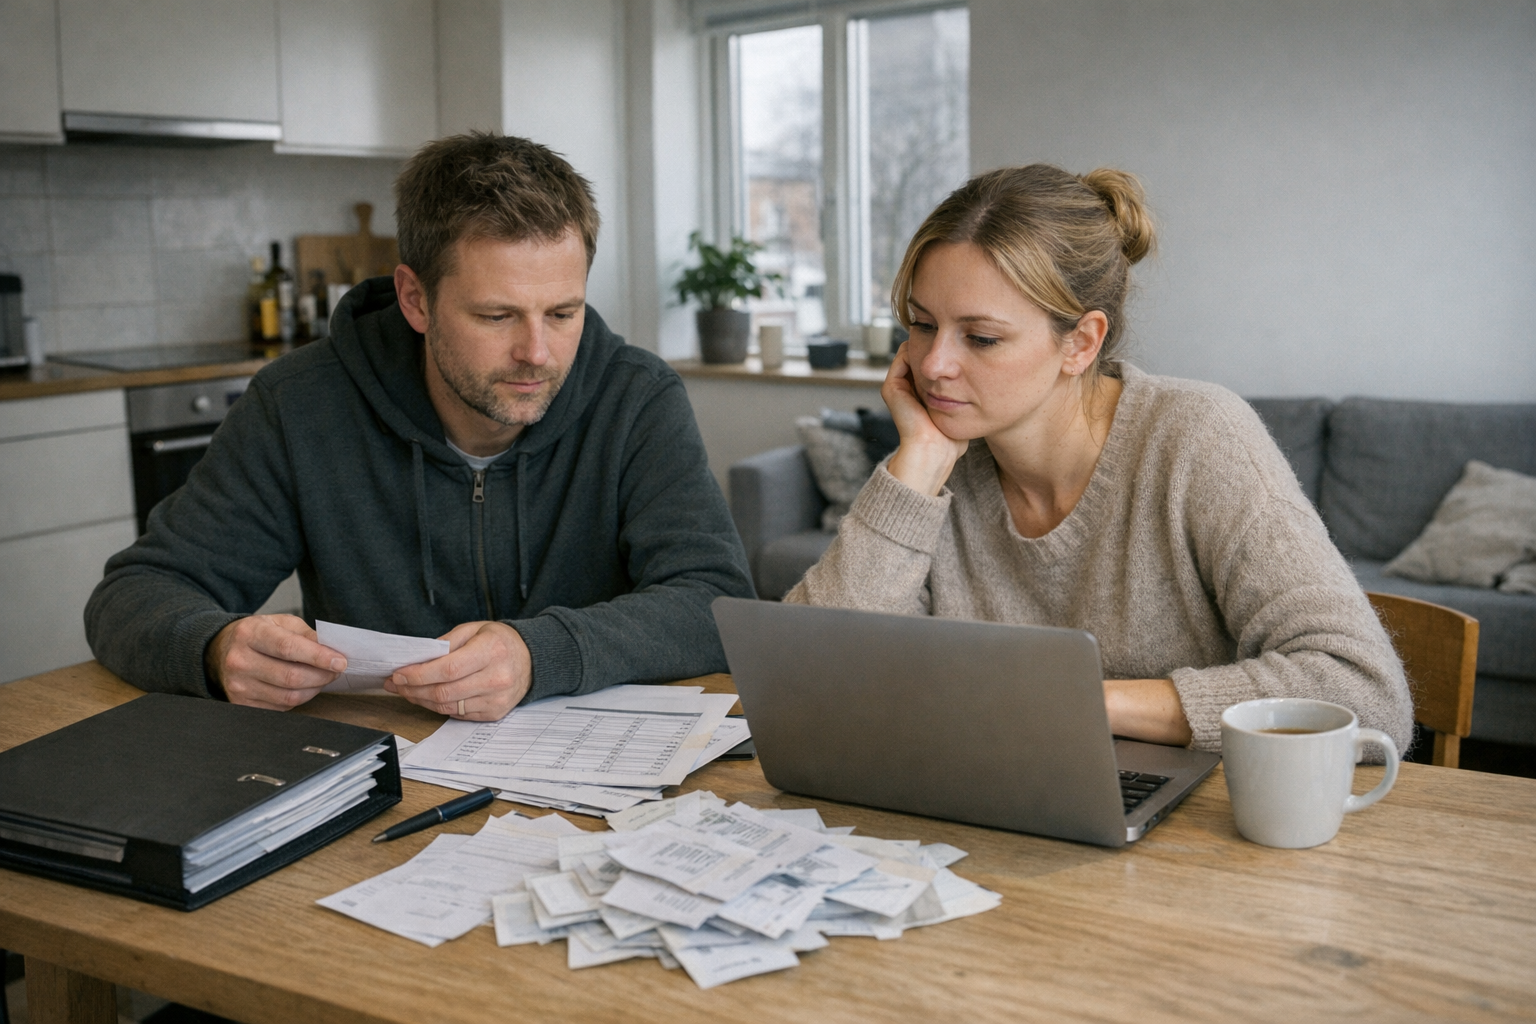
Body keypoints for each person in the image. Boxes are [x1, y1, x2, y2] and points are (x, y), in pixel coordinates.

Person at [86, 132, 755, 721]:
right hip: (374, 774)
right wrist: (214, 648)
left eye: (562, 312)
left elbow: (715, 602)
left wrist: (536, 653)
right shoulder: (300, 406)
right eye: (496, 316)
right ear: (415, 299)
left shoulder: (635, 397)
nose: (538, 353)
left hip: (595, 789)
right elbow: (132, 597)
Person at [785, 164, 1412, 756]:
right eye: (921, 326)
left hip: (1197, 828)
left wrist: (1071, 702)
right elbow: (805, 678)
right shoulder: (944, 463)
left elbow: (1365, 693)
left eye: (980, 338)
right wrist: (918, 462)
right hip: (990, 802)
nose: (932, 365)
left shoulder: (1196, 437)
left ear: (1081, 343)